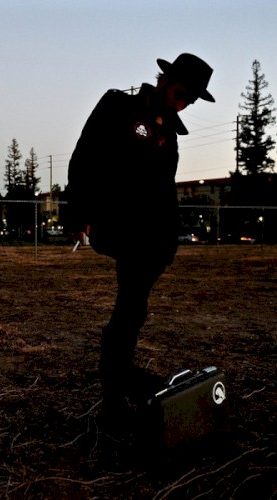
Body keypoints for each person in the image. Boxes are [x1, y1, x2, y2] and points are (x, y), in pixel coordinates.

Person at [66, 53, 215, 434]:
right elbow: (84, 157)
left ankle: (127, 385)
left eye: (191, 101)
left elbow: (165, 190)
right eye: (181, 93)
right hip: (119, 225)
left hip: (153, 237)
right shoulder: (119, 106)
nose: (183, 104)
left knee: (132, 312)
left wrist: (170, 239)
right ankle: (121, 394)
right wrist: (78, 212)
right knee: (128, 313)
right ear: (165, 80)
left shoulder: (171, 133)